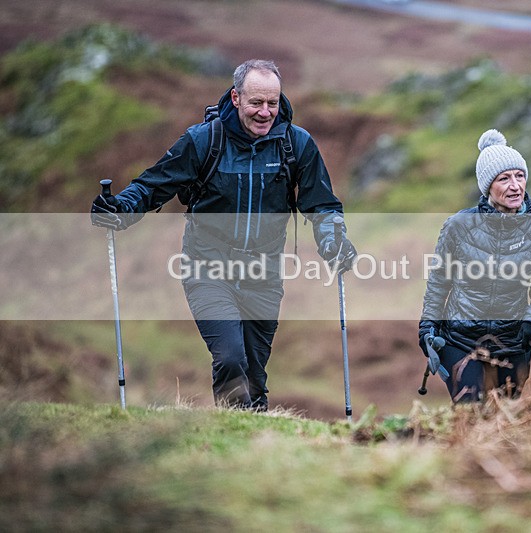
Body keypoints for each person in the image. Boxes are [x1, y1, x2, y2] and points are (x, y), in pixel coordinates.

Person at [90, 59, 356, 411]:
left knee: (255, 376)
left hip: (264, 275)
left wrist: (332, 240)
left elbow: (322, 205)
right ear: (235, 97)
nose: (265, 113)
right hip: (208, 268)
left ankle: (250, 440)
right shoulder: (203, 141)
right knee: (231, 359)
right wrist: (119, 209)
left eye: (272, 103)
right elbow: (153, 185)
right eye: (256, 103)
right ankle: (239, 425)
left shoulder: (296, 144)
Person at [419, 129, 531, 402]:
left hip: (512, 343)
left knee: (504, 423)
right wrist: (428, 327)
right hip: (460, 341)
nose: (515, 186)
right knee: (471, 413)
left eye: (520, 176)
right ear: (488, 187)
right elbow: (440, 281)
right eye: (504, 178)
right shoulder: (458, 226)